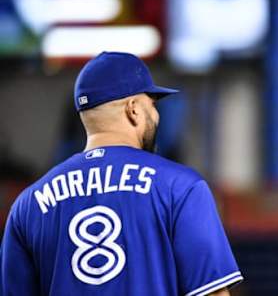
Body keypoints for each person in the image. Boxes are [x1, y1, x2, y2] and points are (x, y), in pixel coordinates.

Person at [0, 52, 243, 296]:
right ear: (133, 109)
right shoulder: (181, 188)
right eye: (153, 105)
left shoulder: (28, 205)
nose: (156, 115)